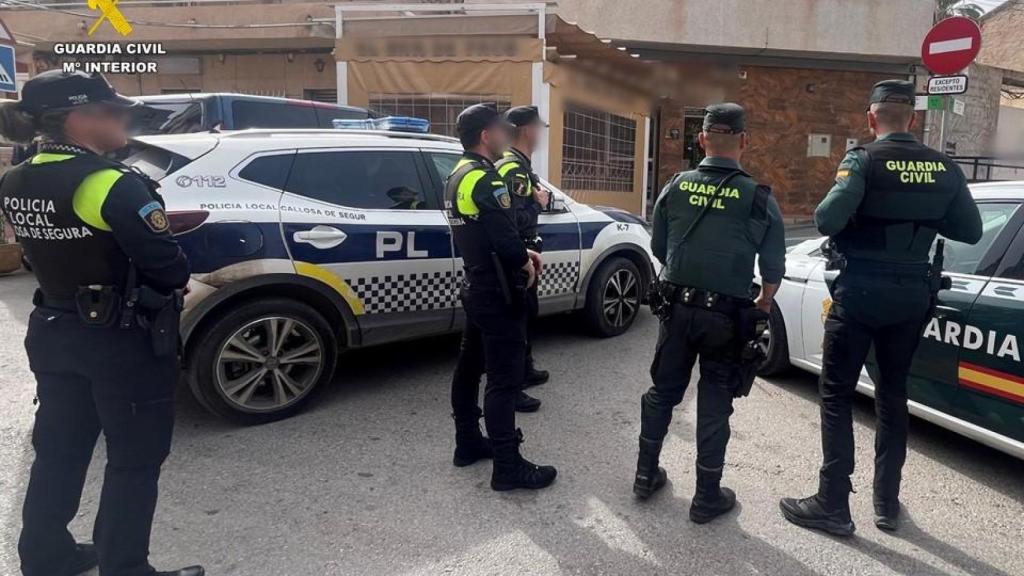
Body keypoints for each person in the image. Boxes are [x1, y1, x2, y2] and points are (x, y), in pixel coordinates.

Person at [0, 70, 202, 576]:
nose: (123, 120)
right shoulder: (108, 182)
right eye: (112, 111)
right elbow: (169, 267)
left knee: (59, 452)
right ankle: (126, 568)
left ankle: (46, 558)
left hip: (54, 328)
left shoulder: (16, 177)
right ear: (79, 118)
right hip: (121, 341)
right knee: (135, 459)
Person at [780, 80, 983, 536]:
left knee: (836, 393)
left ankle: (833, 503)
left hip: (861, 295)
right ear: (913, 118)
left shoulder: (863, 160)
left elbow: (826, 220)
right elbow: (969, 231)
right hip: (912, 298)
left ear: (872, 118)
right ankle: (886, 504)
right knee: (893, 395)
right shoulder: (943, 167)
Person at [632, 103, 786, 524]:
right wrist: (764, 303)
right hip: (728, 319)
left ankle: (645, 475)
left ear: (701, 140)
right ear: (744, 141)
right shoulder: (759, 197)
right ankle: (706, 496)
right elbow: (773, 268)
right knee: (716, 403)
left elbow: (660, 249)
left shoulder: (676, 185)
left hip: (677, 312)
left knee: (663, 392)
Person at [447, 103, 557, 491]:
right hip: (498, 291)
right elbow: (506, 237)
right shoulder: (486, 179)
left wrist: (517, 254)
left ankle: (468, 443)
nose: (505, 135)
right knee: (504, 381)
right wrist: (523, 262)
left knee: (468, 367)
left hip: (476, 285)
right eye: (500, 129)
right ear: (485, 135)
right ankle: (508, 467)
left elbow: (480, 232)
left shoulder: (456, 175)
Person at [495, 105, 552, 413]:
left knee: (527, 314)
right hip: (519, 254)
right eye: (539, 128)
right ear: (527, 130)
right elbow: (514, 219)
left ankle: (525, 370)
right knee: (517, 320)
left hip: (523, 252)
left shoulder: (516, 164)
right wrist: (538, 202)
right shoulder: (513, 169)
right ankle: (514, 385)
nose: (541, 133)